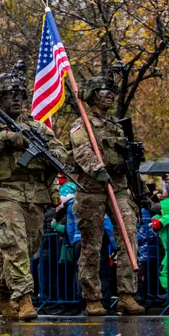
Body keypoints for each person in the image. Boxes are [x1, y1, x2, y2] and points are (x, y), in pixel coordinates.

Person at [0, 61, 68, 321]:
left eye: (20, 95)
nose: (16, 99)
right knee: (15, 247)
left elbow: (60, 155)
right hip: (2, 194)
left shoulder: (37, 127)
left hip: (34, 195)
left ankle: (1, 291)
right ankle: (24, 299)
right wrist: (4, 139)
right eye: (9, 94)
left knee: (30, 247)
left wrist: (44, 153)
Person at [69, 74, 145, 316]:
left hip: (119, 187)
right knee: (91, 245)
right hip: (93, 190)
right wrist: (96, 169)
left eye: (112, 90)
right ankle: (92, 298)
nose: (110, 93)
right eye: (104, 89)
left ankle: (127, 294)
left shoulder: (118, 127)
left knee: (129, 235)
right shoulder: (83, 124)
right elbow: (81, 150)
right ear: (92, 94)